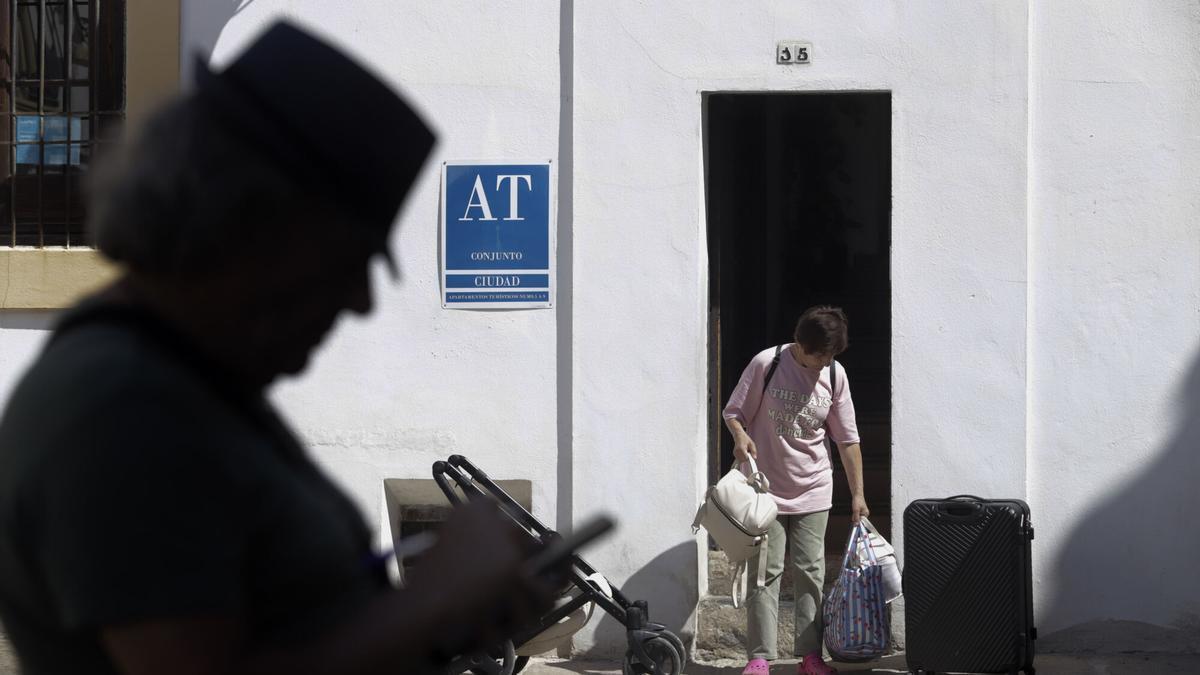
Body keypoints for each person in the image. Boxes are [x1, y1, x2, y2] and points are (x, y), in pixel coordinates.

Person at [0, 21, 557, 675]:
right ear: (248, 224)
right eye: (345, 262)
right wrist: (433, 600)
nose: (361, 302)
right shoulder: (121, 411)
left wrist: (439, 616)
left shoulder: (185, 385)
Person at [722, 306, 869, 675]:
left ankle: (810, 655)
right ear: (800, 344)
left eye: (831, 356)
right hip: (765, 489)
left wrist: (858, 494)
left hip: (814, 486)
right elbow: (734, 412)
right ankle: (759, 657)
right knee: (765, 573)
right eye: (818, 355)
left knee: (811, 571)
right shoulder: (767, 363)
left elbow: (847, 440)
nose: (824, 363)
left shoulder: (835, 375)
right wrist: (740, 438)